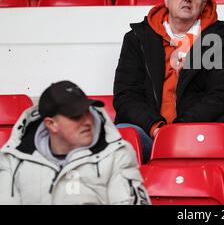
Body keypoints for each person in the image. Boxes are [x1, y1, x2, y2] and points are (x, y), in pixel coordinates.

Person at [113, 0, 224, 163]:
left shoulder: (220, 40)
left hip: (197, 131)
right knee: (119, 141)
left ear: (203, 4)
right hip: (148, 132)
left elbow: (222, 95)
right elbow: (126, 94)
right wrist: (156, 127)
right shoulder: (137, 38)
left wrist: (180, 127)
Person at [0, 80, 150, 205]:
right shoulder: (13, 159)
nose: (87, 122)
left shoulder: (118, 154)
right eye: (76, 116)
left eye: (88, 112)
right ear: (51, 124)